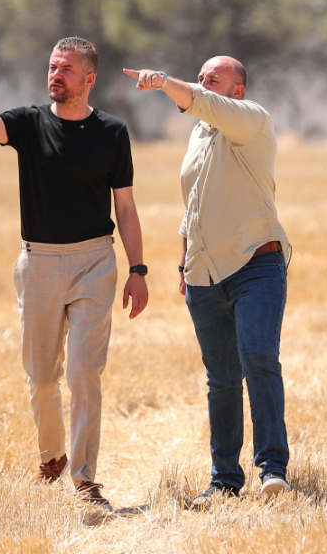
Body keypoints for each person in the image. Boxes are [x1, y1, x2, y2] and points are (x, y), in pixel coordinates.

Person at [0, 36, 149, 510]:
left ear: (89, 79)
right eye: (52, 66)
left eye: (67, 69)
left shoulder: (112, 132)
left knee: (86, 374)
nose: (56, 75)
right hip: (39, 263)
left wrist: (139, 269)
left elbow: (126, 208)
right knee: (43, 377)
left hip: (95, 261)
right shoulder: (29, 123)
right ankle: (52, 457)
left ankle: (86, 479)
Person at [124, 57, 292, 502]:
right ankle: (224, 482)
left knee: (258, 361)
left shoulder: (252, 120)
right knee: (221, 378)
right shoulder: (199, 135)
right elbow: (192, 206)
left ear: (237, 90)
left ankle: (273, 470)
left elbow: (196, 101)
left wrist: (163, 83)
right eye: (200, 77)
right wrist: (184, 265)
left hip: (256, 266)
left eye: (213, 79)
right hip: (204, 277)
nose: (202, 84)